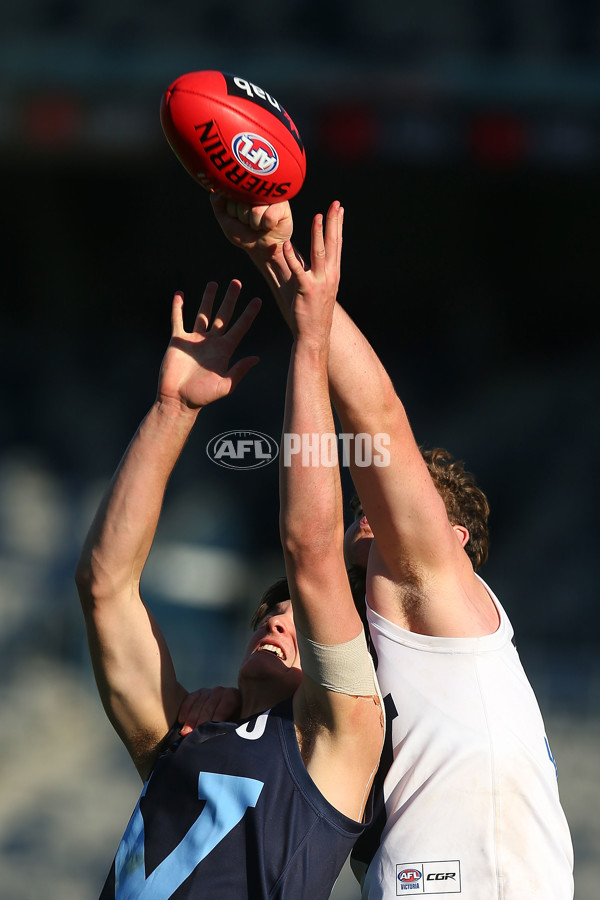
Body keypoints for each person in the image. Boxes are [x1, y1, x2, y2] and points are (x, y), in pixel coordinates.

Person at [196, 196, 574, 899]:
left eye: (402, 498)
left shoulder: (433, 591)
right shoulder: (353, 649)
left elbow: (378, 419)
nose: (374, 504)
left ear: (453, 540)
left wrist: (275, 255)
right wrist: (226, 707)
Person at [75, 220, 385, 898]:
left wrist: (310, 343)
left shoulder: (339, 737)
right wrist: (171, 410)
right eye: (265, 615)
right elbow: (105, 586)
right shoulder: (180, 730)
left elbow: (311, 550)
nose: (275, 623)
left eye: (296, 621)